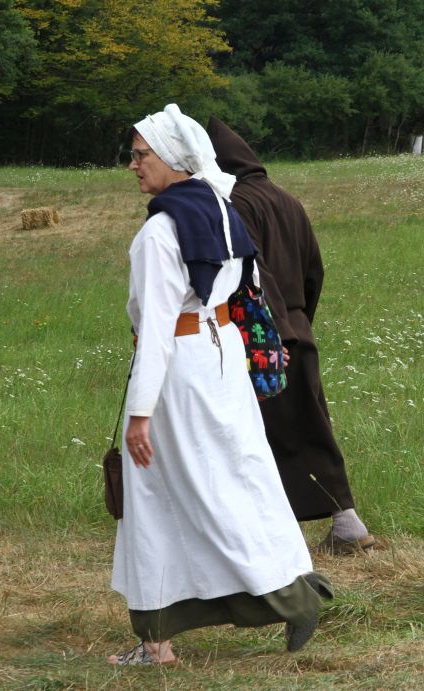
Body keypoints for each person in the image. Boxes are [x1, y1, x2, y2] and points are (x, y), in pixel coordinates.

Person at [108, 104, 332, 666]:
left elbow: (157, 328)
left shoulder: (161, 232)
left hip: (182, 371)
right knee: (238, 480)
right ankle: (171, 632)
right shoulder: (222, 210)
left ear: (173, 158)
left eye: (141, 155)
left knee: (172, 496)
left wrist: (140, 412)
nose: (133, 165)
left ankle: (284, 601)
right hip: (222, 357)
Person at [206, 117, 375, 555]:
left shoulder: (236, 204)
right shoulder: (288, 200)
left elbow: (255, 273)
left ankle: (298, 533)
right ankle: (344, 523)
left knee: (271, 434)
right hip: (296, 328)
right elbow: (314, 270)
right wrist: (301, 323)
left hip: (266, 335)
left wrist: (276, 332)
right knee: (310, 426)